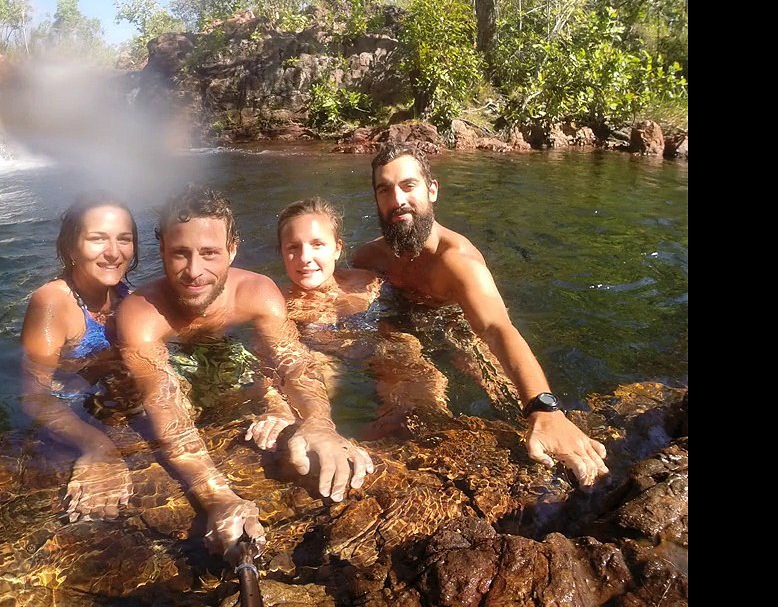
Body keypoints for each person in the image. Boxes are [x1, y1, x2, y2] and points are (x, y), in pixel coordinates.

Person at [114, 184, 374, 556]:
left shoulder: (257, 293)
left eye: (209, 253)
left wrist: (318, 423)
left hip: (235, 357)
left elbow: (293, 362)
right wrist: (216, 495)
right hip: (177, 364)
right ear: (162, 252)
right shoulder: (142, 314)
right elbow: (163, 400)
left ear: (232, 250)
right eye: (180, 254)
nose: (194, 271)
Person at [350, 142, 610, 486]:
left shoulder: (457, 262)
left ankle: (554, 452)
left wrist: (544, 408)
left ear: (432, 190)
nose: (397, 199)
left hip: (459, 324)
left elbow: (496, 328)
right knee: (405, 412)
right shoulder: (368, 258)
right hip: (399, 321)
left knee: (501, 391)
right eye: (385, 189)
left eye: (408, 185)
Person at [276, 197, 451, 436]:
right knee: (305, 377)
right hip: (322, 356)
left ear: (337, 248)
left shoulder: (367, 281)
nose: (305, 257)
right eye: (293, 247)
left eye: (317, 244)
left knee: (408, 358)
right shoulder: (278, 303)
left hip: (380, 346)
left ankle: (423, 429)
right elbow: (270, 354)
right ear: (282, 253)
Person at [20, 194, 139, 523]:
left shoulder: (125, 294)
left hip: (105, 401)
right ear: (71, 248)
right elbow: (34, 396)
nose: (114, 252)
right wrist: (97, 445)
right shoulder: (51, 302)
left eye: (124, 239)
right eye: (97, 239)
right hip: (68, 410)